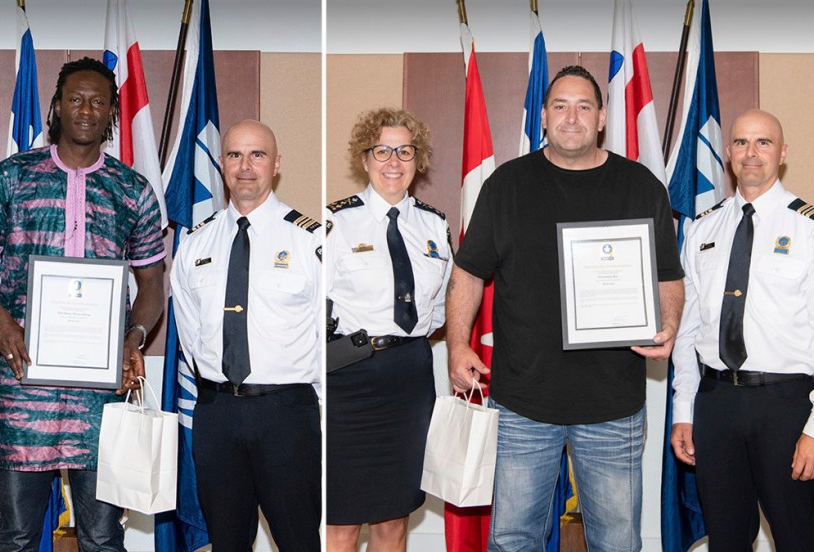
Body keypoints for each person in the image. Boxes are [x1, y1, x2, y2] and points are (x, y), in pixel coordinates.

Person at [446, 65, 684, 551]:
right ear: (544, 116)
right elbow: (468, 272)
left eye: (583, 106)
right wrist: (455, 346)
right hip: (522, 402)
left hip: (613, 404)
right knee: (513, 538)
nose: (571, 117)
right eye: (560, 106)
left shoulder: (641, 187)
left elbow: (668, 276)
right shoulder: (506, 185)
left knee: (617, 541)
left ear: (602, 118)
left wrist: (671, 323)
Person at [0, 57, 165, 551]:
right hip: (26, 378)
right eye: (75, 99)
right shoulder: (13, 176)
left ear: (112, 110)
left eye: (98, 101)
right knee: (16, 533)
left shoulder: (132, 189)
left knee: (102, 535)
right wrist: (2, 323)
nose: (86, 110)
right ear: (56, 106)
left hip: (102, 390)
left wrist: (132, 340)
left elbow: (153, 283)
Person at [170, 119, 322, 551]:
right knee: (227, 543)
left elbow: (324, 337)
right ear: (221, 165)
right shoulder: (196, 245)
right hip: (217, 414)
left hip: (287, 414)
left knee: (298, 541)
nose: (245, 166)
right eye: (235, 155)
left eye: (257, 154)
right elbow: (190, 332)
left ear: (276, 164)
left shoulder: (309, 242)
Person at [671, 109, 814, 551]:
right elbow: (689, 328)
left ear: (783, 152)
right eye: (741, 143)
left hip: (788, 406)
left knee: (799, 537)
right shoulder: (702, 228)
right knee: (727, 538)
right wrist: (683, 410)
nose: (751, 153)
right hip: (716, 405)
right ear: (728, 153)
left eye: (763, 143)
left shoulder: (808, 228)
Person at [325, 108, 451, 551]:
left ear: (419, 160)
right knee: (339, 521)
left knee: (393, 520)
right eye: (382, 150)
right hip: (348, 380)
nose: (393, 161)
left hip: (410, 378)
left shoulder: (435, 226)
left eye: (405, 150)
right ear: (365, 158)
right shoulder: (334, 223)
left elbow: (436, 312)